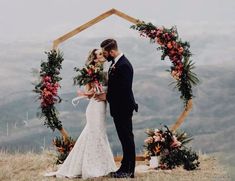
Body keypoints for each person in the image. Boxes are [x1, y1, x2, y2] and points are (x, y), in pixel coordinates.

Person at [44, 49, 117, 179]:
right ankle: (92, 168)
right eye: (99, 54)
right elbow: (87, 93)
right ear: (94, 59)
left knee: (98, 133)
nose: (102, 55)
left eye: (102, 53)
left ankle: (100, 165)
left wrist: (104, 94)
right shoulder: (91, 72)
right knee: (95, 134)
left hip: (102, 106)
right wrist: (95, 92)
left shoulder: (104, 71)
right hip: (94, 106)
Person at [95, 39, 138, 178]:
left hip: (123, 107)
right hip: (119, 107)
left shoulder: (124, 65)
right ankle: (124, 167)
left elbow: (123, 90)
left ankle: (129, 170)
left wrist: (106, 97)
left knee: (127, 138)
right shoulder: (116, 63)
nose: (104, 56)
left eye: (105, 53)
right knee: (124, 138)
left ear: (112, 52)